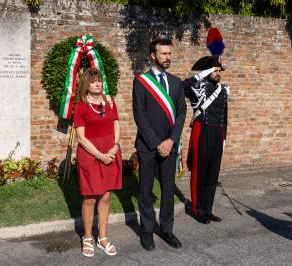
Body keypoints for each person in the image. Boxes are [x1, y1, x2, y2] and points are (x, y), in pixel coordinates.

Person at [132, 39, 186, 251]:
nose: (168, 57)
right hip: (147, 146)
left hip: (170, 146)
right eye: (163, 53)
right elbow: (140, 115)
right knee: (145, 190)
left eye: (169, 53)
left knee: (167, 189)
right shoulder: (141, 82)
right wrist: (157, 143)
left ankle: (167, 229)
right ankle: (146, 231)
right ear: (153, 55)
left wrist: (171, 140)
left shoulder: (176, 82)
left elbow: (181, 113)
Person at [74, 68, 122, 257]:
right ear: (86, 84)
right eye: (93, 81)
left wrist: (116, 146)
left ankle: (102, 237)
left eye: (100, 80)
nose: (98, 84)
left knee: (106, 197)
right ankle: (87, 237)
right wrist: (100, 155)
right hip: (90, 155)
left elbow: (116, 124)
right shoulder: (81, 106)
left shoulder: (110, 101)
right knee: (90, 198)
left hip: (111, 152)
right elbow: (81, 138)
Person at [183, 55, 229, 224]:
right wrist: (201, 75)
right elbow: (182, 87)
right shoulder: (197, 87)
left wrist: (224, 138)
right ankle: (197, 209)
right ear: (207, 71)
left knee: (212, 174)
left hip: (218, 134)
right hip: (202, 131)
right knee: (199, 172)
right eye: (214, 70)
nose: (217, 73)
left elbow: (225, 116)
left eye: (218, 70)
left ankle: (208, 209)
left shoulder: (223, 90)